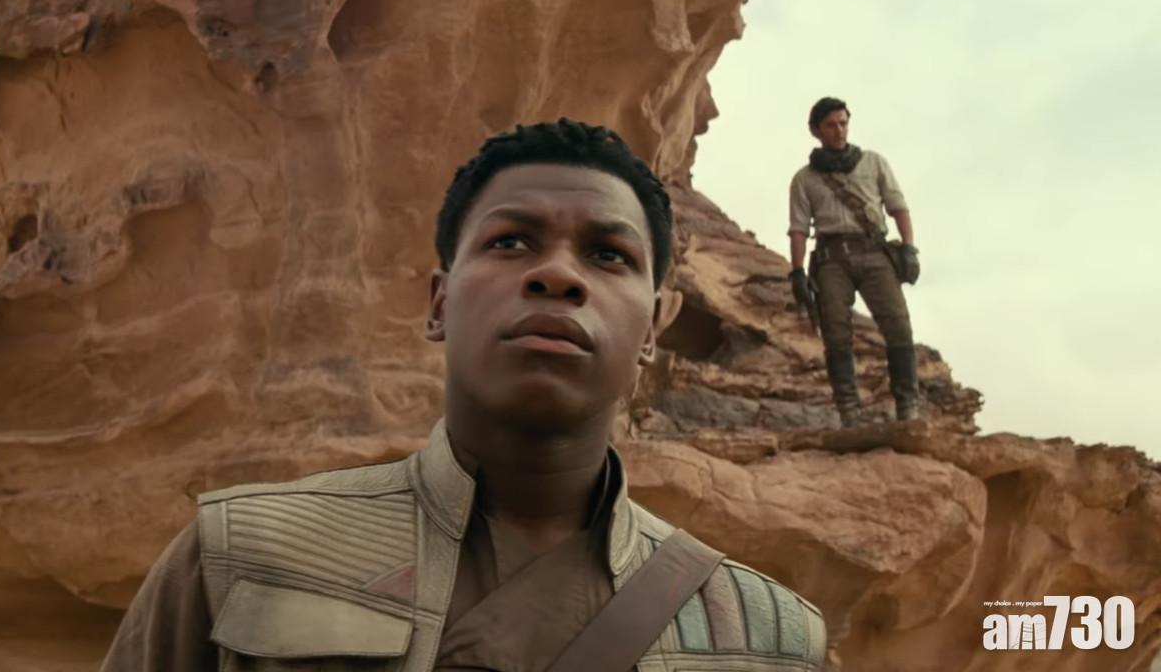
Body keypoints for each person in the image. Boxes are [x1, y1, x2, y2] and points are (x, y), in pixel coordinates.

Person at [101, 118, 826, 671]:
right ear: (440, 304)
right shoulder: (238, 554)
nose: (557, 275)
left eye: (608, 255)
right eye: (510, 242)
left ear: (654, 329)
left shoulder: (769, 637)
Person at [787, 97, 921, 427]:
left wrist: (909, 247)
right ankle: (849, 412)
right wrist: (797, 271)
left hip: (874, 253)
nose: (839, 130)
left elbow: (898, 206)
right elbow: (799, 228)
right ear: (815, 130)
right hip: (831, 260)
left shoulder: (873, 163)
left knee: (898, 326)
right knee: (835, 334)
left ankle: (908, 407)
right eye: (831, 125)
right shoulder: (804, 179)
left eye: (843, 123)